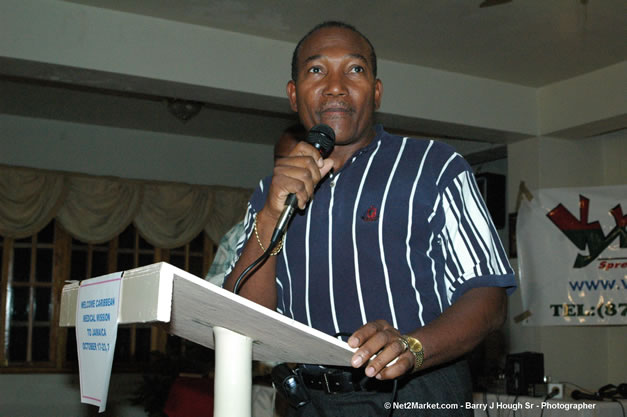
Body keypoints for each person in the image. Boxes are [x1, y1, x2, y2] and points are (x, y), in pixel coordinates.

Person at [225, 21, 516, 416]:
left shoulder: (434, 165)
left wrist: (414, 347)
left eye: (355, 69)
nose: (335, 85)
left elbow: (489, 297)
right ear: (293, 95)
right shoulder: (270, 190)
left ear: (375, 92)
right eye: (316, 70)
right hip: (302, 401)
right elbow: (243, 317)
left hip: (416, 393)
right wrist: (272, 214)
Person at [205, 125, 305, 287]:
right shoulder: (238, 233)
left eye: (300, 162)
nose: (290, 171)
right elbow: (212, 296)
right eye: (283, 161)